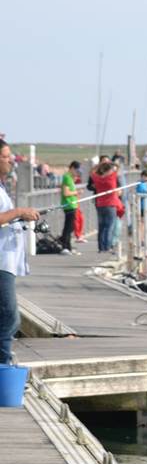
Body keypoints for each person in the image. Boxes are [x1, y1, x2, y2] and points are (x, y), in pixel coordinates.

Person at [0, 141, 41, 365]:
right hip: (1, 265)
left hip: (6, 262)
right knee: (8, 320)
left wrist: (21, 215)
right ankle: (3, 370)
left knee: (8, 319)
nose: (11, 161)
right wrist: (19, 211)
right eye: (6, 157)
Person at [91, 158, 121, 253]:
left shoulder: (98, 179)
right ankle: (107, 247)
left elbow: (91, 171)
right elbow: (118, 167)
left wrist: (100, 164)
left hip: (100, 204)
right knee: (109, 226)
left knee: (101, 227)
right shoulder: (112, 177)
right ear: (109, 170)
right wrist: (110, 162)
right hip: (111, 205)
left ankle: (101, 247)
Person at [59, 160, 81, 253]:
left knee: (71, 226)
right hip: (69, 205)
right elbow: (66, 192)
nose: (77, 173)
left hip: (72, 204)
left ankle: (68, 245)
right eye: (76, 170)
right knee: (68, 227)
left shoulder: (70, 178)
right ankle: (65, 246)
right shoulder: (67, 177)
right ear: (72, 168)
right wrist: (77, 192)